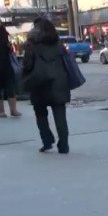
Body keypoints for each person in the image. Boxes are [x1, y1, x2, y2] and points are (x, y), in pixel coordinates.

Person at [23, 18, 71, 154]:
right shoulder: (58, 43)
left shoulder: (31, 44)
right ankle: (64, 145)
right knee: (60, 114)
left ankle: (47, 141)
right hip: (59, 81)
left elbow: (27, 64)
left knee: (40, 114)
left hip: (39, 81)